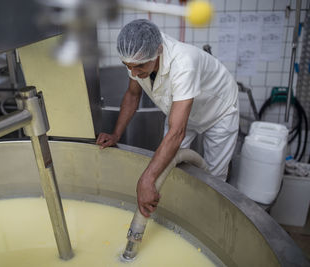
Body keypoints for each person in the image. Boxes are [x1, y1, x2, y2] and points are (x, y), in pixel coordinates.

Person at [96, 19, 239, 218]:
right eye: (128, 66)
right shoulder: (137, 55)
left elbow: (177, 132)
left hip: (218, 111)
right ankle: (175, 212)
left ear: (159, 51)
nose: (134, 73)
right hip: (180, 111)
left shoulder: (183, 64)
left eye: (139, 67)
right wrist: (116, 134)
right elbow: (132, 95)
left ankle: (206, 219)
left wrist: (146, 179)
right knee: (168, 166)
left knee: (214, 178)